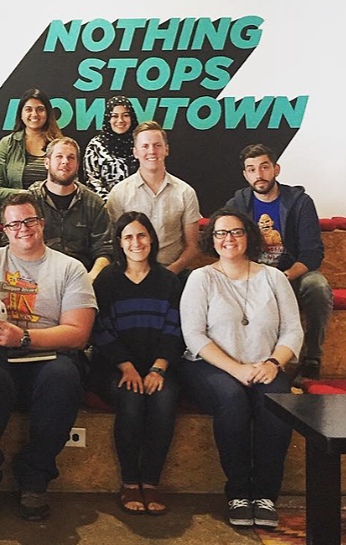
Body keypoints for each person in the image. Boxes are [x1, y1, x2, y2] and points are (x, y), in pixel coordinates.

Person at [0, 192, 96, 523]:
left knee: (64, 378)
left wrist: (25, 337)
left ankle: (35, 475)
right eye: (15, 223)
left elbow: (78, 333)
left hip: (48, 355)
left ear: (41, 224)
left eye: (30, 221)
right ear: (4, 229)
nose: (24, 229)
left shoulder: (69, 269)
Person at [180, 208, 303, 529]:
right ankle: (238, 492)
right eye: (221, 233)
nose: (228, 239)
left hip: (266, 365)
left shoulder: (274, 278)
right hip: (211, 367)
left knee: (277, 406)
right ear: (212, 240)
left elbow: (293, 331)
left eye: (236, 232)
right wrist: (236, 369)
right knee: (232, 402)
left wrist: (275, 362)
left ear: (249, 236)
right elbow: (193, 335)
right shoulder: (201, 278)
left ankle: (263, 495)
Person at [92, 212, 183, 516]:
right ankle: (131, 481)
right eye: (128, 237)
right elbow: (99, 328)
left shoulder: (169, 280)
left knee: (165, 399)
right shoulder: (106, 281)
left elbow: (176, 328)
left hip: (159, 367)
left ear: (152, 239)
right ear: (119, 242)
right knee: (131, 400)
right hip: (114, 367)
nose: (136, 242)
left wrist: (159, 367)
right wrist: (125, 366)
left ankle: (151, 481)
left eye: (142, 235)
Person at [226, 143, 332, 385]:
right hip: (251, 276)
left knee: (318, 285)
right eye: (251, 169)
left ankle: (311, 358)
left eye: (264, 167)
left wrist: (281, 277)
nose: (259, 174)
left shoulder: (300, 202)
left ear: (276, 169)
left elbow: (312, 254)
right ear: (245, 175)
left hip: (290, 275)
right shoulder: (238, 204)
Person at [106, 121, 200, 282]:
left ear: (166, 149)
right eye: (145, 146)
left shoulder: (185, 192)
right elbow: (113, 243)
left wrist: (169, 274)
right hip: (131, 275)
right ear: (135, 152)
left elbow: (193, 246)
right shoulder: (119, 193)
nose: (152, 151)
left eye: (157, 145)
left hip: (174, 274)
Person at [28, 136, 112, 281]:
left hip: (82, 279)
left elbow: (105, 251)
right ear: (47, 162)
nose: (65, 161)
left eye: (71, 157)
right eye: (59, 156)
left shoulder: (94, 203)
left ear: (77, 165)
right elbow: (12, 245)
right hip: (35, 279)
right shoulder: (29, 202)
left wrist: (90, 279)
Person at [0, 88, 62, 205]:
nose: (34, 114)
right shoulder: (7, 144)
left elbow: (72, 184)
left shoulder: (60, 145)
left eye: (40, 109)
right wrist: (25, 195)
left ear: (48, 113)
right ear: (21, 114)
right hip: (18, 213)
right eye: (28, 109)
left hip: (55, 214)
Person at [82, 95, 139, 201]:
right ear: (108, 119)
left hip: (140, 207)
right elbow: (93, 182)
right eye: (114, 116)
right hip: (106, 208)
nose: (120, 120)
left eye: (125, 115)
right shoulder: (96, 146)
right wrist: (113, 205)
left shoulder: (140, 143)